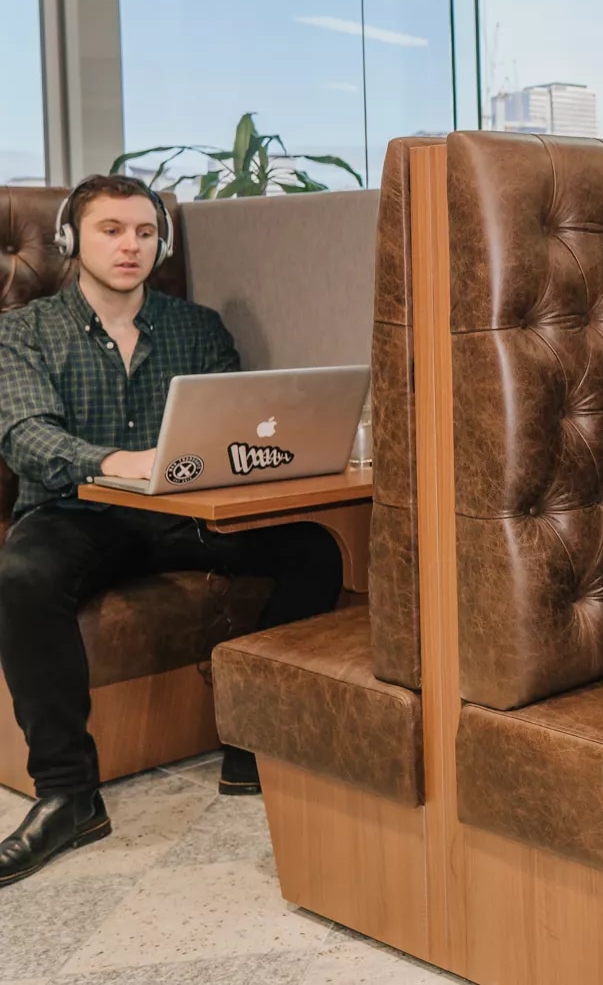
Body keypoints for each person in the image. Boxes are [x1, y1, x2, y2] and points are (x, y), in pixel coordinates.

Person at [0, 174, 345, 886]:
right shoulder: (22, 331)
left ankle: (249, 740)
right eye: (110, 230)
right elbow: (25, 433)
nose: (131, 245)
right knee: (21, 577)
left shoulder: (198, 327)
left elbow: (236, 426)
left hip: (179, 514)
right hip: (75, 512)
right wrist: (112, 460)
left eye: (145, 232)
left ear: (164, 242)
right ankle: (68, 794)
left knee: (313, 548)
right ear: (70, 239)